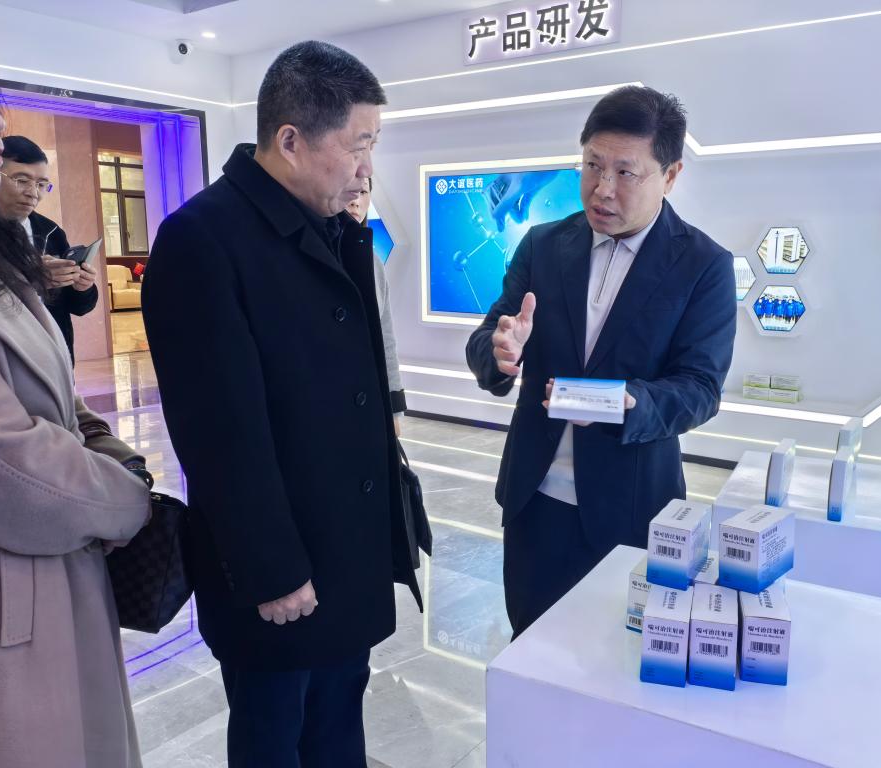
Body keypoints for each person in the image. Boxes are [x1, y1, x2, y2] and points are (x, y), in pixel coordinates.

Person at [142, 40, 419, 768]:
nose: (367, 169)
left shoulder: (331, 228)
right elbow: (219, 432)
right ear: (290, 141)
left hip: (344, 553)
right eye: (358, 145)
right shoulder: (203, 240)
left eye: (373, 145)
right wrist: (270, 567)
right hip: (280, 569)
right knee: (274, 735)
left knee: (337, 727)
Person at [466, 86, 737, 638]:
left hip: (630, 509)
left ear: (671, 175)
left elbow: (700, 388)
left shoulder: (703, 265)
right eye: (592, 165)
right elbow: (489, 337)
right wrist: (500, 351)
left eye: (625, 172)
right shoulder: (543, 245)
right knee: (529, 646)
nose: (602, 188)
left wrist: (629, 404)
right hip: (534, 501)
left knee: (614, 662)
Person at [0, 5, 152, 767]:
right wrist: (127, 500)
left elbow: (55, 400)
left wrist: (109, 449)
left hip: (46, 581)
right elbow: (9, 465)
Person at [0, 135, 99, 365]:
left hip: (53, 357)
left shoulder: (51, 231)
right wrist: (31, 278)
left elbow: (78, 307)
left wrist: (83, 287)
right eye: (21, 180)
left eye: (41, 184)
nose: (33, 193)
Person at [345, 176, 406, 432]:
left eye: (363, 192)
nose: (356, 202)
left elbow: (385, 339)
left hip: (369, 398)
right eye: (349, 191)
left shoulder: (373, 262)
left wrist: (395, 410)